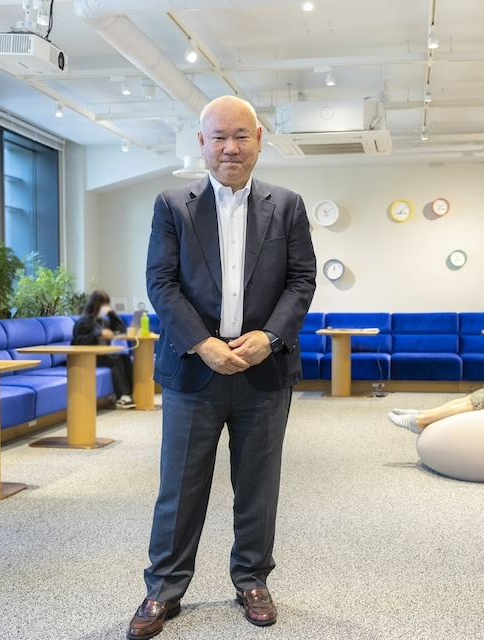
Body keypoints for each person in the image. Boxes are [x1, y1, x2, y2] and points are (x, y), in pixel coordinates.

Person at [128, 95, 316, 640]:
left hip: (264, 371)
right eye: (218, 137)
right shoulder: (173, 204)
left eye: (240, 135)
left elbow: (301, 280)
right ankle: (163, 588)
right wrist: (201, 343)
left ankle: (252, 579)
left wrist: (270, 337)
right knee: (180, 485)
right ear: (202, 143)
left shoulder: (287, 205)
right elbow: (160, 282)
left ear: (259, 139)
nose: (229, 147)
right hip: (195, 369)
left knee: (257, 483)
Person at [71, 290, 134, 409]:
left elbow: (121, 330)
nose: (106, 308)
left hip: (100, 355)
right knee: (114, 359)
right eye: (104, 305)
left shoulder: (102, 321)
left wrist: (111, 313)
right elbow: (78, 341)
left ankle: (130, 394)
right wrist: (99, 333)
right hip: (86, 357)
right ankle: (123, 396)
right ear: (96, 305)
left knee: (124, 358)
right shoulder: (84, 321)